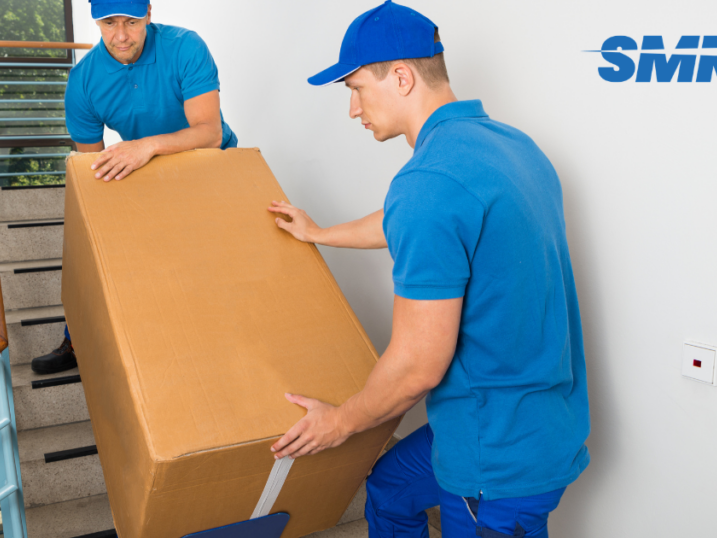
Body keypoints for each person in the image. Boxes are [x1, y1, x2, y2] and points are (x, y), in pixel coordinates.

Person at [267, 2, 590, 537]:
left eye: (355, 89)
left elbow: (418, 365)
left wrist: (338, 423)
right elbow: (419, 221)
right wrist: (319, 232)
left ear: (400, 77)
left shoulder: (428, 184)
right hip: (535, 417)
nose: (352, 110)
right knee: (391, 487)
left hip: (498, 462)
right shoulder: (509, 146)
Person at [31, 0, 238, 374]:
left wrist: (148, 144)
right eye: (109, 23)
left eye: (132, 21)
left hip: (210, 166)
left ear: (149, 14)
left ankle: (219, 338)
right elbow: (89, 169)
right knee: (96, 243)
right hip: (145, 174)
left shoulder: (185, 47)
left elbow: (210, 134)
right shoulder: (83, 81)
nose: (121, 35)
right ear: (95, 21)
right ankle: (75, 339)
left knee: (209, 262)